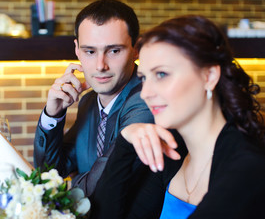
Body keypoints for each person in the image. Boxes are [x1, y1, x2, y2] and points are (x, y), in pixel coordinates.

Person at [91, 15, 265, 219]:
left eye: (162, 74)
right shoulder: (172, 153)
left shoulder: (248, 167)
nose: (145, 93)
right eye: (144, 78)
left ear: (209, 77)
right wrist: (125, 141)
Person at [33, 0, 154, 196]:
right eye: (90, 51)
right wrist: (53, 114)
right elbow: (50, 173)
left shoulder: (148, 100)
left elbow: (106, 184)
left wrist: (70, 183)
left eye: (114, 51)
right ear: (77, 50)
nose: (100, 65)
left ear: (136, 49)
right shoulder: (89, 101)